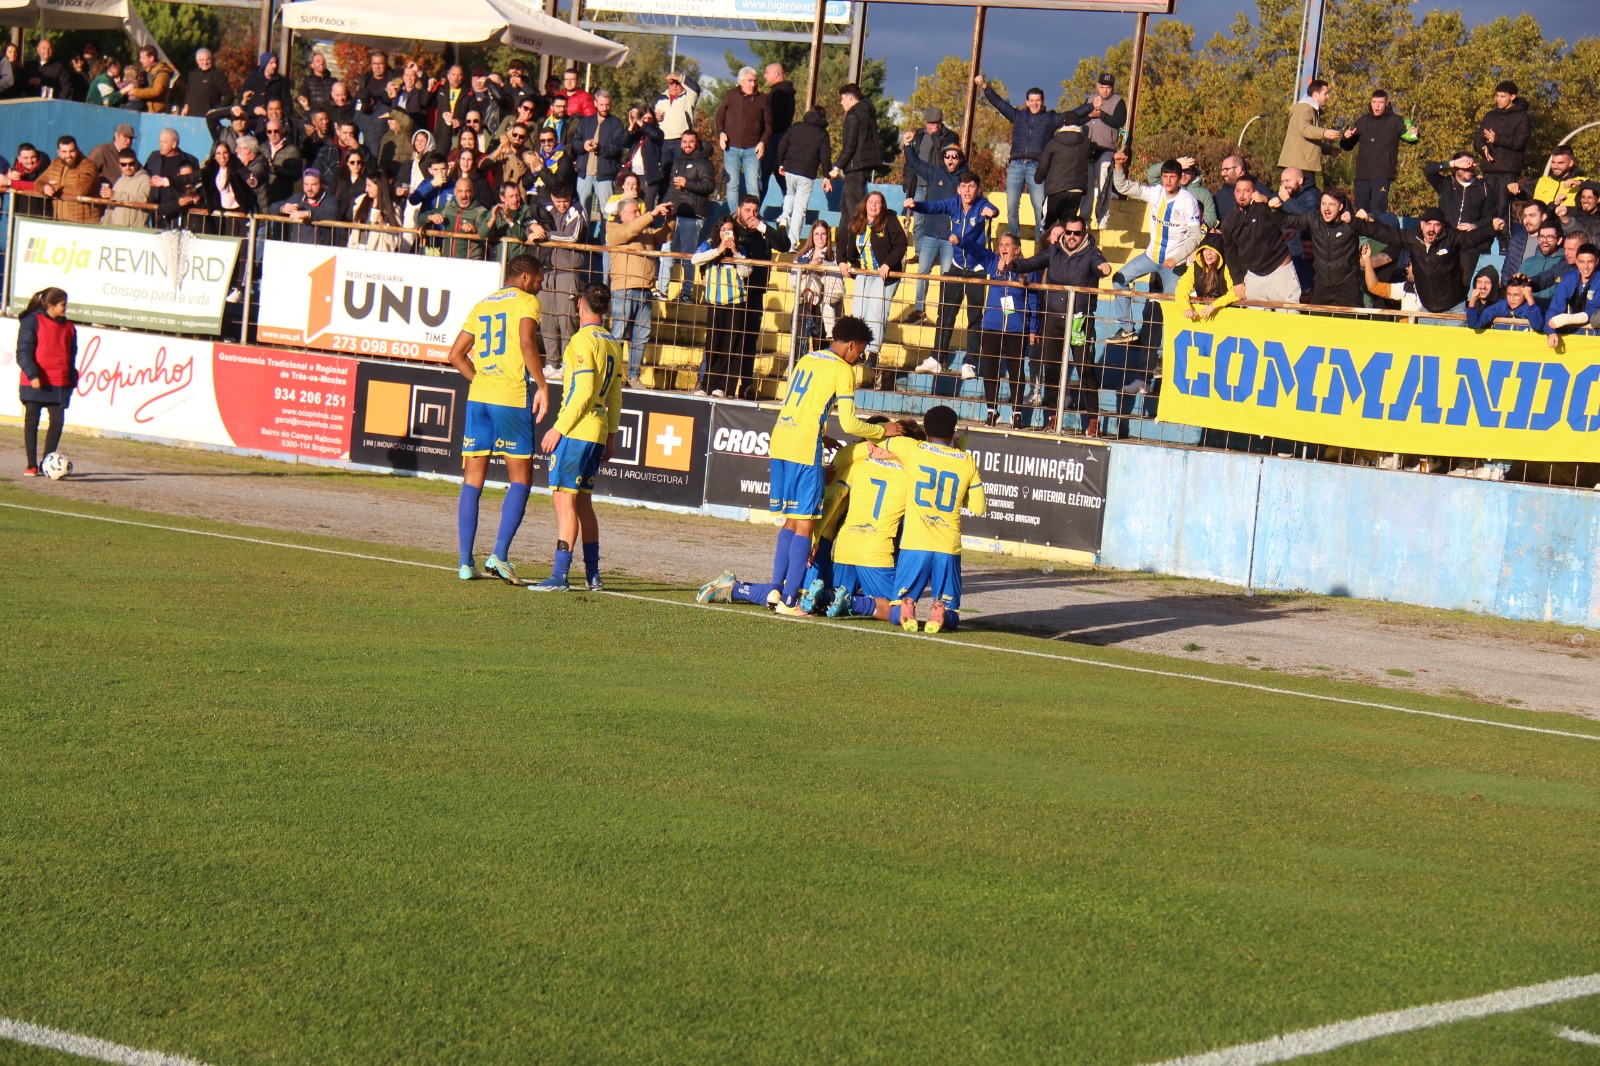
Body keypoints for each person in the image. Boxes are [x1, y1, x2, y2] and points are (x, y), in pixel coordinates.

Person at [765, 316, 893, 614]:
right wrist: (882, 431)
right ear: (851, 345)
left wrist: (822, 436)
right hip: (803, 446)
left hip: (782, 437)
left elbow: (798, 406)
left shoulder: (807, 358)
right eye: (859, 352)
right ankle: (790, 601)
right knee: (806, 522)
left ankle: (775, 589)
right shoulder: (842, 369)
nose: (858, 358)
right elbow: (850, 422)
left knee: (790, 519)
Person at [445, 255, 549, 583]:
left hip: (479, 400)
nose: (541, 285)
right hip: (511, 399)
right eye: (539, 279)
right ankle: (500, 555)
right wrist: (543, 385)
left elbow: (455, 354)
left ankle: (465, 563)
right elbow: (524, 341)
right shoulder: (527, 302)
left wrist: (478, 380)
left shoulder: (483, 304)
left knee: (472, 481)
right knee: (520, 479)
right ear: (525, 277)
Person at [531, 282, 625, 593]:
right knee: (583, 502)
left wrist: (559, 427)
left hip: (577, 430)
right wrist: (610, 436)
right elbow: (614, 397)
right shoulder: (612, 343)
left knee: (564, 499)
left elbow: (583, 390)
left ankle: (559, 575)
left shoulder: (581, 341)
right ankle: (593, 575)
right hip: (597, 431)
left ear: (580, 306)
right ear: (606, 309)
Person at [888, 404, 985, 633]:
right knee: (952, 616)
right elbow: (979, 508)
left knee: (895, 610)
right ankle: (939, 608)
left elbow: (873, 438)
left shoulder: (913, 449)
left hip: (915, 543)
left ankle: (908, 605)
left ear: (925, 430)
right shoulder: (966, 461)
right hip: (946, 546)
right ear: (953, 434)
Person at [1011, 218, 1113, 428]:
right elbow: (1032, 262)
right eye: (1069, 232)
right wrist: (1013, 265)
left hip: (1079, 321)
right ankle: (1052, 417)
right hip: (1053, 319)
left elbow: (1100, 264)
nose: (1072, 237)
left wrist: (1104, 267)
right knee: (1052, 371)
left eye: (1077, 233)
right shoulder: (1054, 251)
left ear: (1084, 234)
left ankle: (1093, 421)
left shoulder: (1092, 252)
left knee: (1086, 370)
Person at [907, 171, 1000, 377]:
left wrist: (990, 212)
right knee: (946, 314)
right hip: (957, 266)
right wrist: (916, 205)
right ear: (958, 189)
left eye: (972, 186)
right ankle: (937, 358)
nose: (967, 191)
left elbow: (993, 209)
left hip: (977, 269)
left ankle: (970, 361)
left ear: (978, 189)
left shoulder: (981, 204)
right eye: (964, 187)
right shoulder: (953, 204)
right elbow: (932, 207)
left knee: (975, 317)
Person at [1107, 153, 1203, 341]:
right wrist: (1118, 166)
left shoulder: (1188, 201)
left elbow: (1195, 236)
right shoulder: (1156, 192)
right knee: (1119, 280)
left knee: (1171, 308)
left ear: (1180, 178)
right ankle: (1127, 328)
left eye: (1172, 177)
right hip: (1151, 257)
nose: (1168, 181)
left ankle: (1164, 355)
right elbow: (1123, 186)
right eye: (1165, 176)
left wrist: (1177, 258)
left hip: (1174, 264)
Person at [1349, 207, 1504, 318]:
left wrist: (1491, 229)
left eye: (1436, 225)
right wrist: (1354, 222)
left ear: (1442, 227)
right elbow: (1383, 233)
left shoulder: (1450, 238)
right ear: (1422, 225)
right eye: (1428, 224)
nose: (1432, 229)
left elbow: (1471, 239)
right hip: (1428, 309)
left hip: (1453, 309)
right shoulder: (1412, 239)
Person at [974, 73, 1060, 240]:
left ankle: (1040, 242)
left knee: (1039, 208)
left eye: (1038, 100)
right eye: (1031, 100)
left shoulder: (1050, 119)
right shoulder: (1019, 116)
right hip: (1016, 165)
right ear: (1027, 102)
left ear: (1042, 101)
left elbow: (1072, 116)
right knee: (1012, 207)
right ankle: (1013, 241)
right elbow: (1000, 104)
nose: (1035, 103)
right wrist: (984, 86)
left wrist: (1091, 107)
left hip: (1036, 167)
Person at [971, 233, 1038, 427]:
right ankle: (992, 411)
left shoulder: (1027, 269)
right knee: (990, 368)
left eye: (1007, 245)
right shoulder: (993, 264)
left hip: (1016, 328)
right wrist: (959, 240)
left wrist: (1033, 328)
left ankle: (1016, 412)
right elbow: (975, 249)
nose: (1003, 248)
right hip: (992, 325)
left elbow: (1033, 300)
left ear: (1016, 249)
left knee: (1016, 370)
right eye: (1001, 245)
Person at [840, 190, 907, 381]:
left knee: (876, 308)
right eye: (871, 202)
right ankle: (858, 348)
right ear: (865, 204)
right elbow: (842, 241)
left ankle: (873, 352)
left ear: (882, 206)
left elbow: (901, 244)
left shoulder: (890, 221)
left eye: (878, 202)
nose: (874, 205)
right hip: (864, 271)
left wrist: (888, 263)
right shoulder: (857, 221)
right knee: (859, 309)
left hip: (885, 274)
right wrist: (842, 261)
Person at [606, 198, 674, 386]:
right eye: (634, 212)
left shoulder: (645, 230)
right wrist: (651, 214)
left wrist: (670, 218)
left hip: (645, 289)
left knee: (641, 336)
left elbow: (664, 236)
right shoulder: (613, 228)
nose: (638, 214)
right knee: (618, 334)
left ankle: (634, 376)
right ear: (622, 214)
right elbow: (629, 231)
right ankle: (612, 375)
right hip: (624, 289)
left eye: (639, 211)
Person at [897, 142, 965, 327]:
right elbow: (915, 163)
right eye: (947, 156)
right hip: (930, 234)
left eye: (954, 156)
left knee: (946, 277)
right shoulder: (936, 173)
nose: (950, 160)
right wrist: (908, 145)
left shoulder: (965, 179)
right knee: (922, 273)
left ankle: (944, 313)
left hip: (950, 238)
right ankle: (919, 310)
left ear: (960, 159)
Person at [16, 287, 77, 477]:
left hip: (58, 382)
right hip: (34, 382)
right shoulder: (32, 321)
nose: (65, 308)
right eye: (63, 305)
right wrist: (33, 375)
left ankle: (47, 462)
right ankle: (31, 464)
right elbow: (23, 352)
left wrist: (70, 382)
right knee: (32, 421)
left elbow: (71, 356)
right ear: (51, 306)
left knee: (57, 422)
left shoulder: (69, 327)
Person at [1269, 186, 1363, 307]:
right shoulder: (1314, 221)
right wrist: (1274, 210)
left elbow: (1375, 230)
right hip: (1322, 293)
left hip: (1347, 292)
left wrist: (1368, 219)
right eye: (1323, 203)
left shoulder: (1351, 225)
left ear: (1341, 207)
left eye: (1331, 204)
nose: (1327, 208)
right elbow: (1287, 220)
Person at [692, 216, 752, 397]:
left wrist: (734, 251)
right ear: (718, 231)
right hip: (714, 303)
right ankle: (707, 384)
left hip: (735, 303)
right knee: (713, 345)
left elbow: (746, 271)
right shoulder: (709, 245)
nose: (727, 234)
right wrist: (718, 251)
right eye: (724, 230)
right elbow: (695, 259)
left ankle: (725, 386)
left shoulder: (740, 249)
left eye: (730, 230)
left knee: (731, 346)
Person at [1339, 89, 1415, 216]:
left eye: (1380, 102)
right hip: (1362, 175)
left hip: (1382, 175)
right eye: (1374, 102)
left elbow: (1412, 138)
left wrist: (1414, 132)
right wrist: (1346, 137)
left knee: (1377, 211)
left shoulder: (1395, 121)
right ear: (1371, 103)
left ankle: (1376, 235)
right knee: (1361, 212)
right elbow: (1347, 146)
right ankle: (1361, 236)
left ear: (1386, 103)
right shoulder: (1363, 121)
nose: (1377, 105)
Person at [659, 129, 715, 300]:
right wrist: (665, 204)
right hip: (676, 216)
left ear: (697, 143)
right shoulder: (679, 162)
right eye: (684, 142)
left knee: (687, 256)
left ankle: (686, 293)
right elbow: (671, 188)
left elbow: (709, 186)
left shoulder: (704, 163)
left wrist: (687, 183)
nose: (687, 145)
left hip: (693, 216)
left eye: (691, 142)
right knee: (666, 251)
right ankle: (662, 290)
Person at [716, 66, 771, 216]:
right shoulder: (730, 95)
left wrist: (763, 142)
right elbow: (720, 117)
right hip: (731, 148)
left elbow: (768, 125)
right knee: (732, 184)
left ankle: (752, 217)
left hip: (752, 150)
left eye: (754, 81)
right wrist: (721, 133)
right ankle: (735, 217)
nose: (752, 84)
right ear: (740, 81)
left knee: (753, 185)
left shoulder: (762, 99)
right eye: (749, 81)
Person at [776, 107, 832, 248]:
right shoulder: (823, 134)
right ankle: (792, 243)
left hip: (789, 169)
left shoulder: (796, 126)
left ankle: (784, 218)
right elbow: (825, 157)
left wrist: (781, 163)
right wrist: (827, 176)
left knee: (789, 194)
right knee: (800, 209)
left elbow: (782, 145)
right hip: (807, 174)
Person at [1077, 72, 1126, 229]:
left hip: (1106, 149)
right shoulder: (1090, 99)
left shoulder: (1118, 102)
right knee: (1087, 187)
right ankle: (1085, 220)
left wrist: (1101, 115)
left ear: (1112, 88)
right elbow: (1079, 118)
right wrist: (1091, 112)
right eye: (1102, 87)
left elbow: (1119, 121)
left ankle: (1103, 220)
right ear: (1097, 86)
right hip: (1087, 148)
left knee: (1104, 185)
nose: (1105, 90)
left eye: (1108, 87)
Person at [573, 90, 625, 237]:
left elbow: (617, 148)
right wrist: (584, 146)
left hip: (605, 175)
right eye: (602, 105)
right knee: (582, 212)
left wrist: (600, 148)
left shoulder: (616, 124)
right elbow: (575, 143)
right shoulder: (585, 122)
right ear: (595, 104)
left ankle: (605, 247)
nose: (605, 108)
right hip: (584, 174)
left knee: (607, 212)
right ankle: (582, 246)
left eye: (608, 105)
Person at [1474, 81, 1530, 217]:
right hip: (1488, 172)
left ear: (1513, 97)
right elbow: (1478, 138)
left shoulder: (1522, 117)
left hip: (1507, 173)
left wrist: (1497, 139)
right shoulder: (1490, 116)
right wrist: (1483, 148)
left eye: (1503, 96)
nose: (1499, 99)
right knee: (1483, 211)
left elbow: (1520, 142)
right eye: (1497, 96)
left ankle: (1504, 238)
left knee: (1501, 212)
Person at [830, 83, 880, 223]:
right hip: (863, 165)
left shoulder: (853, 116)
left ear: (850, 98)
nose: (841, 102)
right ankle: (844, 244)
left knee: (854, 210)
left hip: (854, 167)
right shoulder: (867, 113)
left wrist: (836, 167)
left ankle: (862, 239)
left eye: (842, 99)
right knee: (845, 209)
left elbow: (849, 146)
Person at [793, 220, 847, 346]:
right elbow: (793, 282)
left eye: (823, 234)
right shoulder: (801, 256)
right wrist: (810, 268)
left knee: (823, 347)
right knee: (800, 346)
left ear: (828, 236)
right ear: (811, 236)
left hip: (827, 305)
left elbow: (838, 280)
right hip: (806, 303)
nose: (820, 237)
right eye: (816, 234)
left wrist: (824, 267)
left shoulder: (835, 256)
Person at [1034, 119, 1092, 229]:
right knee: (1067, 227)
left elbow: (1044, 164)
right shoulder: (1086, 142)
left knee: (1048, 226)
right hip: (1077, 190)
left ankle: (1047, 245)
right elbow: (1092, 153)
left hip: (1056, 189)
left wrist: (1038, 178)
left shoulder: (1054, 142)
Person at [1277, 78, 1340, 177]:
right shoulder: (1305, 109)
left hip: (1301, 165)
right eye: (1326, 93)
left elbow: (1309, 142)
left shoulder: (1310, 110)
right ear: (1315, 95)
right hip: (1299, 167)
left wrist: (1329, 150)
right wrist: (1324, 132)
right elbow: (1305, 129)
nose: (1328, 96)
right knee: (1310, 192)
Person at [1543, 243, 1599, 349]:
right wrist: (1551, 332)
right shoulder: (1569, 279)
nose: (1585, 267)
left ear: (1597, 262)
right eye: (1581, 262)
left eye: (1590, 262)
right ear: (1576, 262)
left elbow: (1594, 313)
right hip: (1574, 336)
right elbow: (1555, 308)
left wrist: (1568, 319)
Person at [36, 135, 102, 223]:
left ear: (77, 150)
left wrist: (57, 188)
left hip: (83, 221)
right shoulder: (55, 163)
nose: (68, 155)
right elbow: (39, 182)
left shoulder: (88, 166)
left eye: (71, 151)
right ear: (58, 152)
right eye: (64, 152)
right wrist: (45, 188)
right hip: (59, 220)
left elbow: (81, 190)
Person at [1174, 237, 1237, 321]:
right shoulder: (1194, 267)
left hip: (1226, 313)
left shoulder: (1227, 268)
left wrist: (1213, 305)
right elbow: (1182, 289)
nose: (1208, 253)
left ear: (1219, 253)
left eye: (1212, 250)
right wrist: (1186, 308)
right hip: (1203, 314)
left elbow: (1236, 292)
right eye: (1205, 250)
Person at [1423, 152, 1490, 232]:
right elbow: (1428, 171)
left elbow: (1490, 217)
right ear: (1455, 168)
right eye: (1464, 165)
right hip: (1446, 239)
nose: (1469, 168)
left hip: (1471, 240)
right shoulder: (1445, 184)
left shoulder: (1483, 188)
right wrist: (1453, 163)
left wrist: (1474, 226)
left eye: (1471, 164)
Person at [761, 62, 795, 200]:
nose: (764, 76)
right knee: (782, 178)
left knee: (762, 177)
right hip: (782, 138)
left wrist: (765, 137)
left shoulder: (778, 93)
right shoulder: (787, 91)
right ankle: (790, 210)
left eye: (767, 72)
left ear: (777, 74)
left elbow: (773, 118)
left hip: (774, 138)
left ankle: (753, 210)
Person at [1467, 272, 1543, 331]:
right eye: (1509, 294)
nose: (1511, 299)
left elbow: (1537, 326)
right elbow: (1474, 324)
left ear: (1525, 295)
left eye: (1516, 295)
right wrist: (1473, 301)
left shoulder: (1532, 308)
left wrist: (1530, 299)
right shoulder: (1501, 306)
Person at [102, 151, 154, 228]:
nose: (127, 167)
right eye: (124, 165)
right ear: (119, 165)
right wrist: (104, 224)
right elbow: (110, 208)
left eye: (131, 164)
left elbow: (143, 199)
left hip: (135, 230)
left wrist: (115, 195)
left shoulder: (145, 179)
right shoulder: (120, 181)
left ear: (136, 162)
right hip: (115, 228)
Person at [1533, 146, 1587, 214]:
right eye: (1553, 162)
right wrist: (1515, 186)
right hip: (1543, 223)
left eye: (1560, 163)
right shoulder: (1541, 181)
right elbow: (1518, 191)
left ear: (1571, 163)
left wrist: (1580, 183)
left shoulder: (1582, 182)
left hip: (1568, 223)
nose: (1555, 166)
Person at [181, 48, 232, 117]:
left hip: (209, 118)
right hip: (191, 116)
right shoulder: (192, 74)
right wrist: (186, 105)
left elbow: (229, 96)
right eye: (202, 60)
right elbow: (188, 92)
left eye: (207, 59)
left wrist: (217, 110)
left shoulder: (217, 75)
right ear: (197, 61)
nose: (205, 62)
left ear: (211, 60)